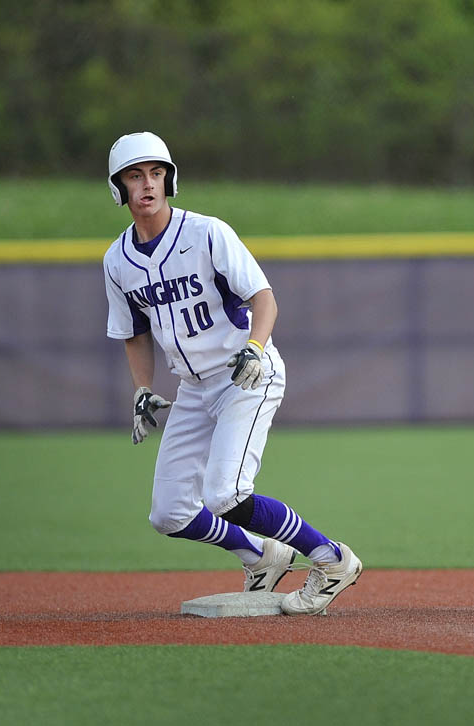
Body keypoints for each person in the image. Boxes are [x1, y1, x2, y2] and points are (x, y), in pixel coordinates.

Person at [102, 132, 361, 616]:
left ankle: (332, 559)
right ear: (118, 188)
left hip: (246, 374)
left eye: (156, 173)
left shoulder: (206, 232)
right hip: (193, 388)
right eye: (135, 176)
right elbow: (133, 332)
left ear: (170, 179)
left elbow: (264, 298)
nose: (147, 184)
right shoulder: (117, 260)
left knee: (226, 494)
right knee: (169, 513)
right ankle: (260, 555)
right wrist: (142, 388)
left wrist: (255, 348)